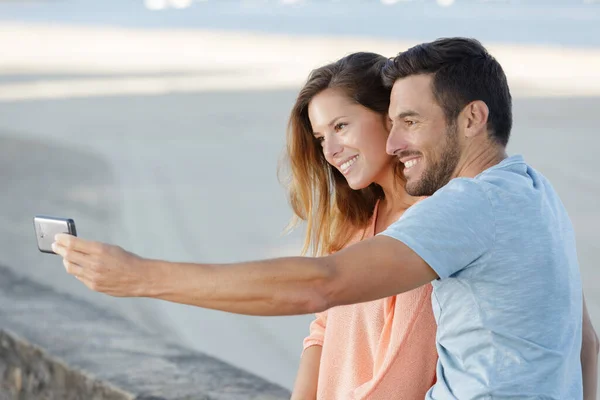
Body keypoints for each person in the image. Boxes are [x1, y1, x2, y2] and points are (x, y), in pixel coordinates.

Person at [53, 37, 598, 399]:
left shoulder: (468, 206)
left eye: (408, 121)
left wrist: (141, 277)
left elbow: (320, 287)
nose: (396, 139)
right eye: (321, 136)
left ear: (473, 118)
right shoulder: (531, 190)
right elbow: (584, 344)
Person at [284, 52, 437, 399]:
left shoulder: (429, 225)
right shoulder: (356, 224)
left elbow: (403, 378)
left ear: (391, 117)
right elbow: (323, 331)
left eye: (340, 126)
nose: (331, 151)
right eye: (321, 138)